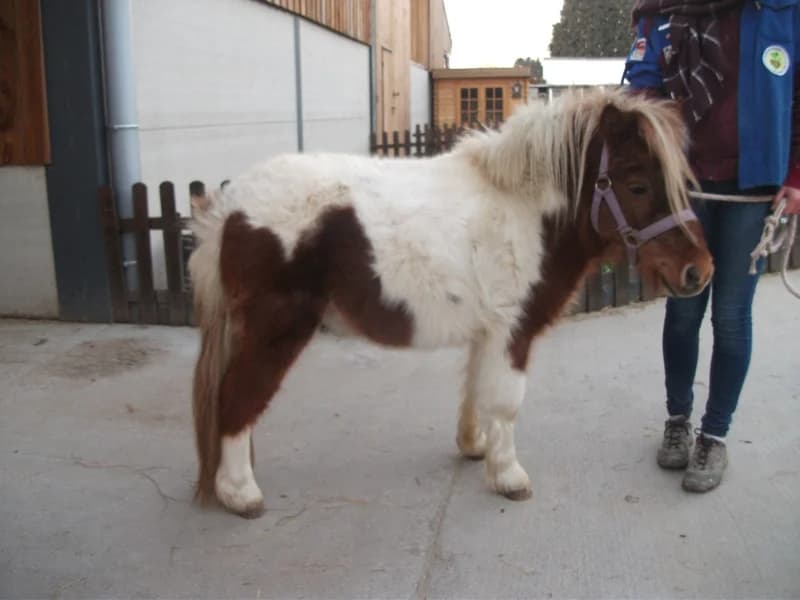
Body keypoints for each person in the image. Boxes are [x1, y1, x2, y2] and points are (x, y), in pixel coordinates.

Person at [623, 0, 800, 492]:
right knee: (682, 311)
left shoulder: (784, 10)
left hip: (752, 188)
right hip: (684, 188)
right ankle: (677, 420)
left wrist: (796, 176)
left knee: (730, 314)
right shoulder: (660, 11)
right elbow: (640, 90)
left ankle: (714, 436)